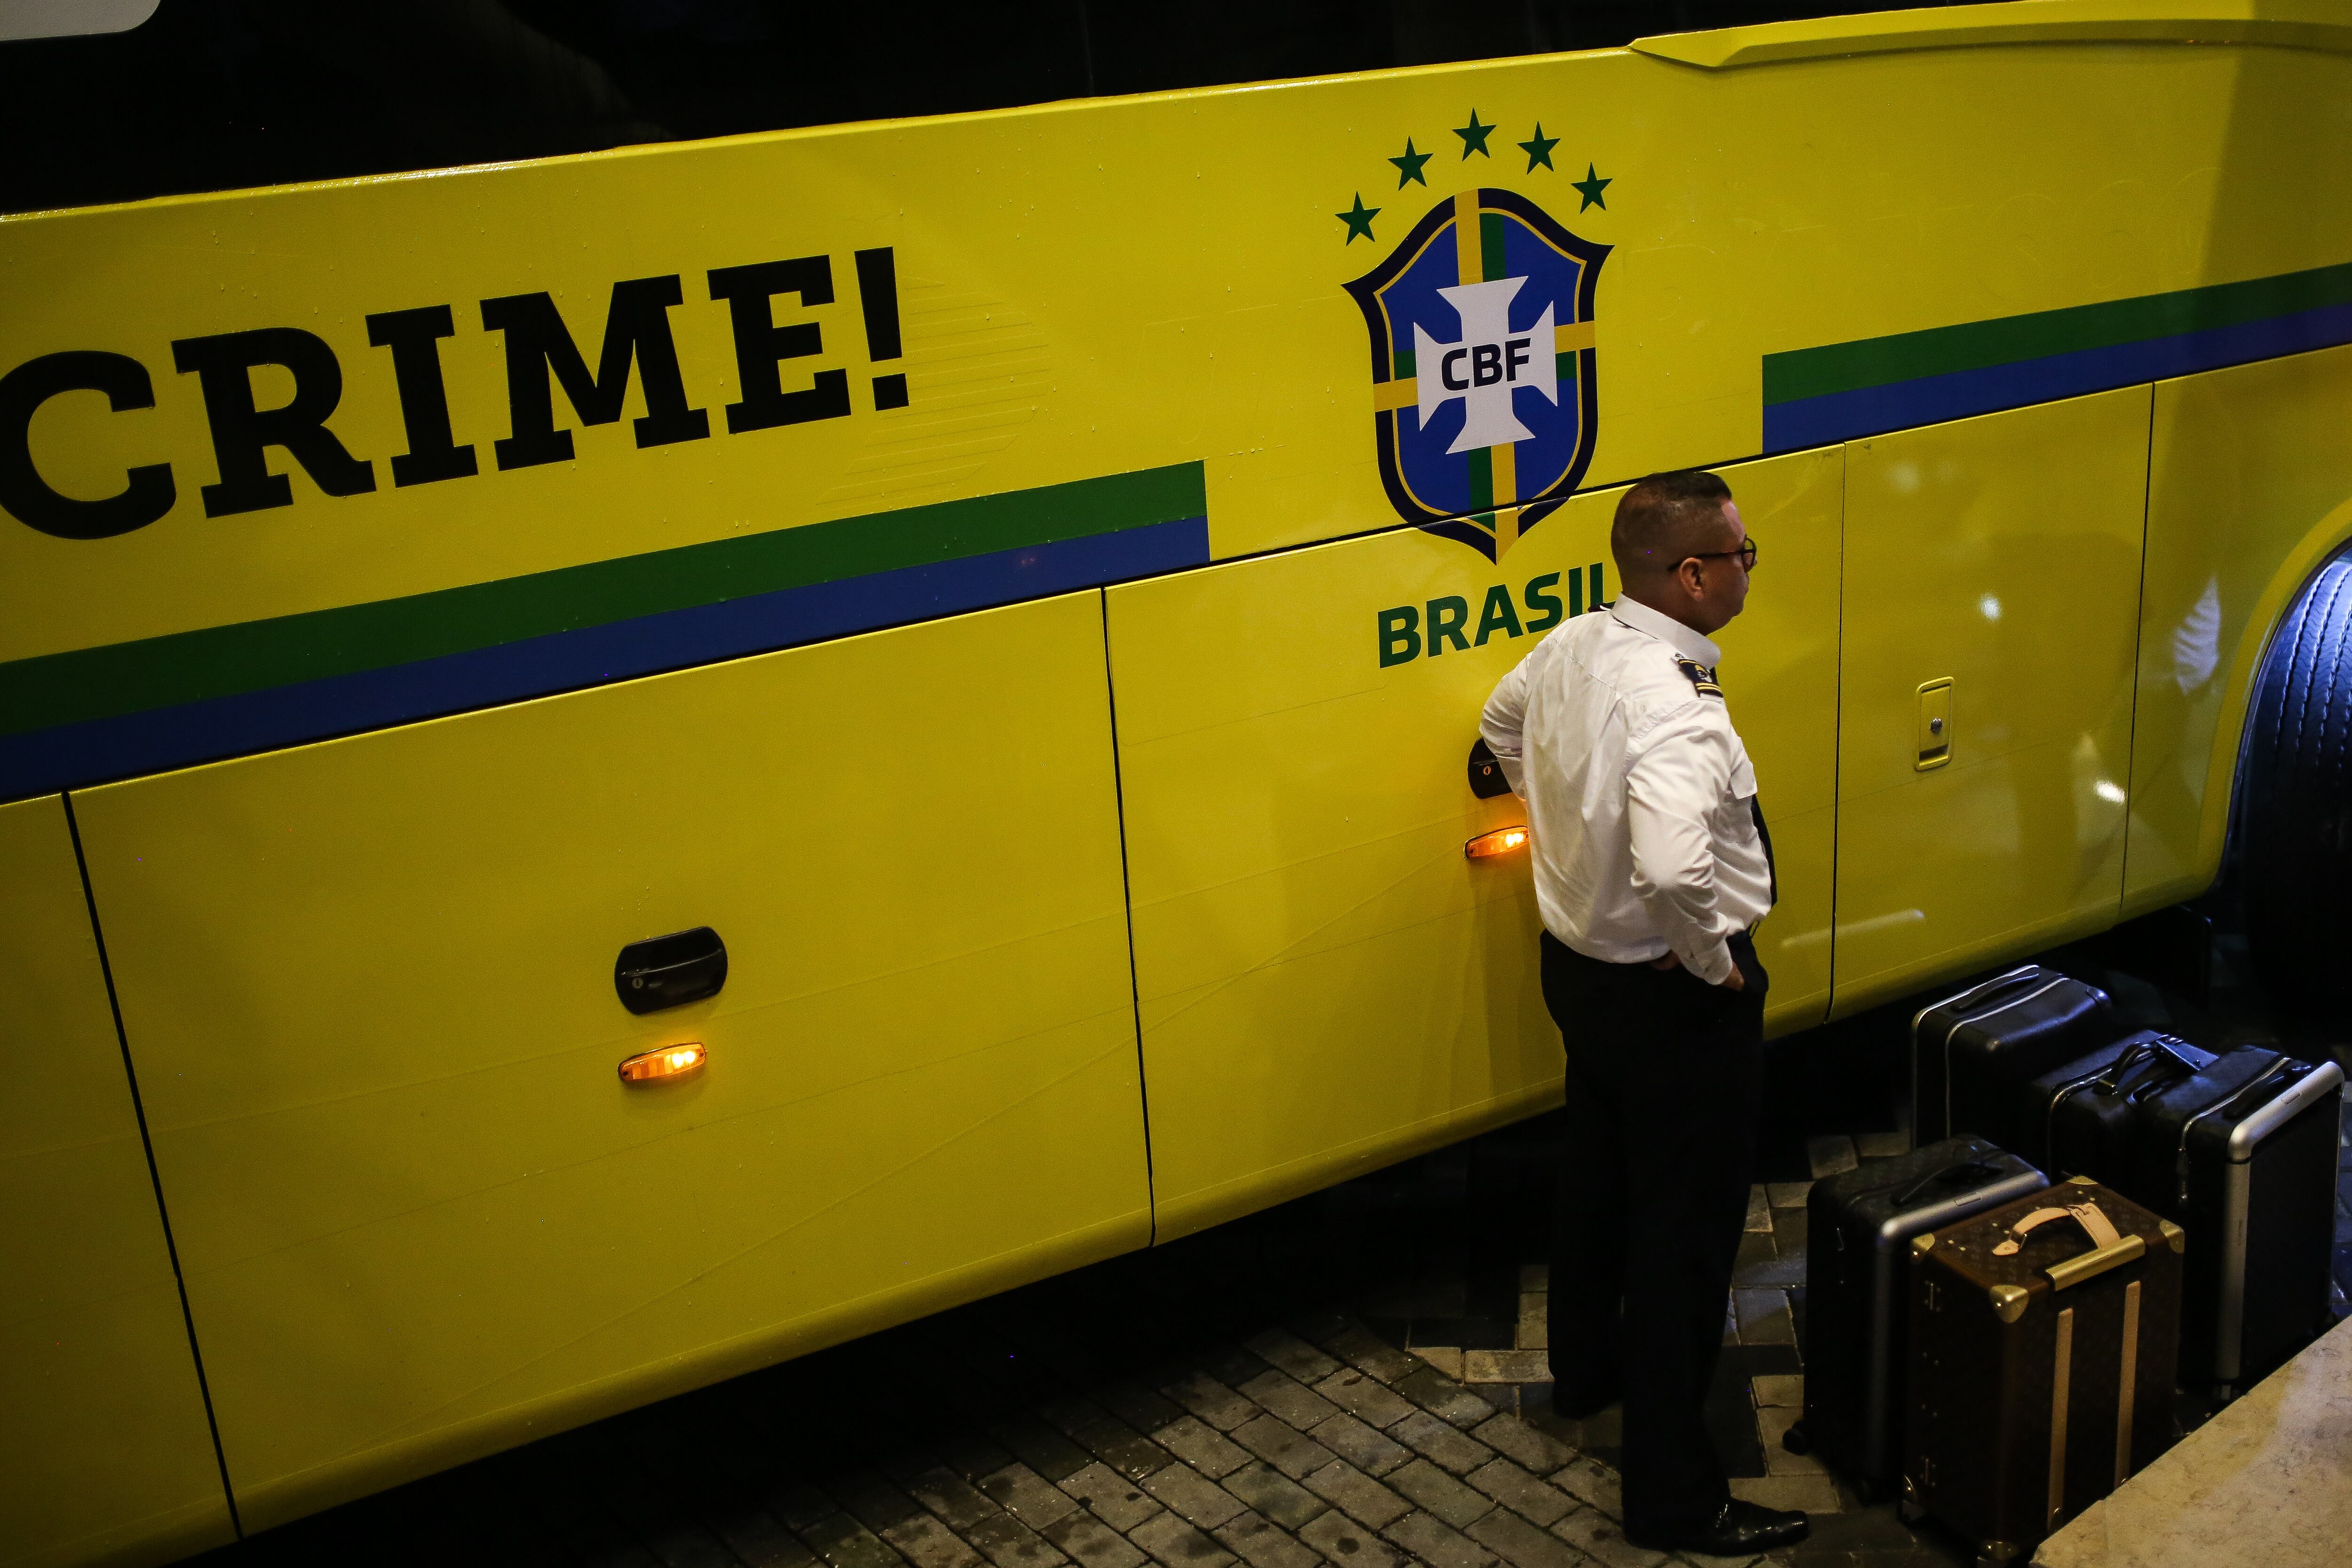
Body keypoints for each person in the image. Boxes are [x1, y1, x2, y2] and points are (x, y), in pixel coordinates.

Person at [1478, 469, 1804, 1557]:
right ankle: (1675, 1499)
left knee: (1598, 1174)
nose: (1751, 568)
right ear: (1694, 572)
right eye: (1743, 553)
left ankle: (1585, 1376)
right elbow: (1673, 863)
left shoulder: (1576, 642)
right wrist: (1711, 961)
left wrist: (1562, 829)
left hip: (1577, 970)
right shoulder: (1676, 702)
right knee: (1684, 1243)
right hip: (1671, 1003)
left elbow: (1499, 721)